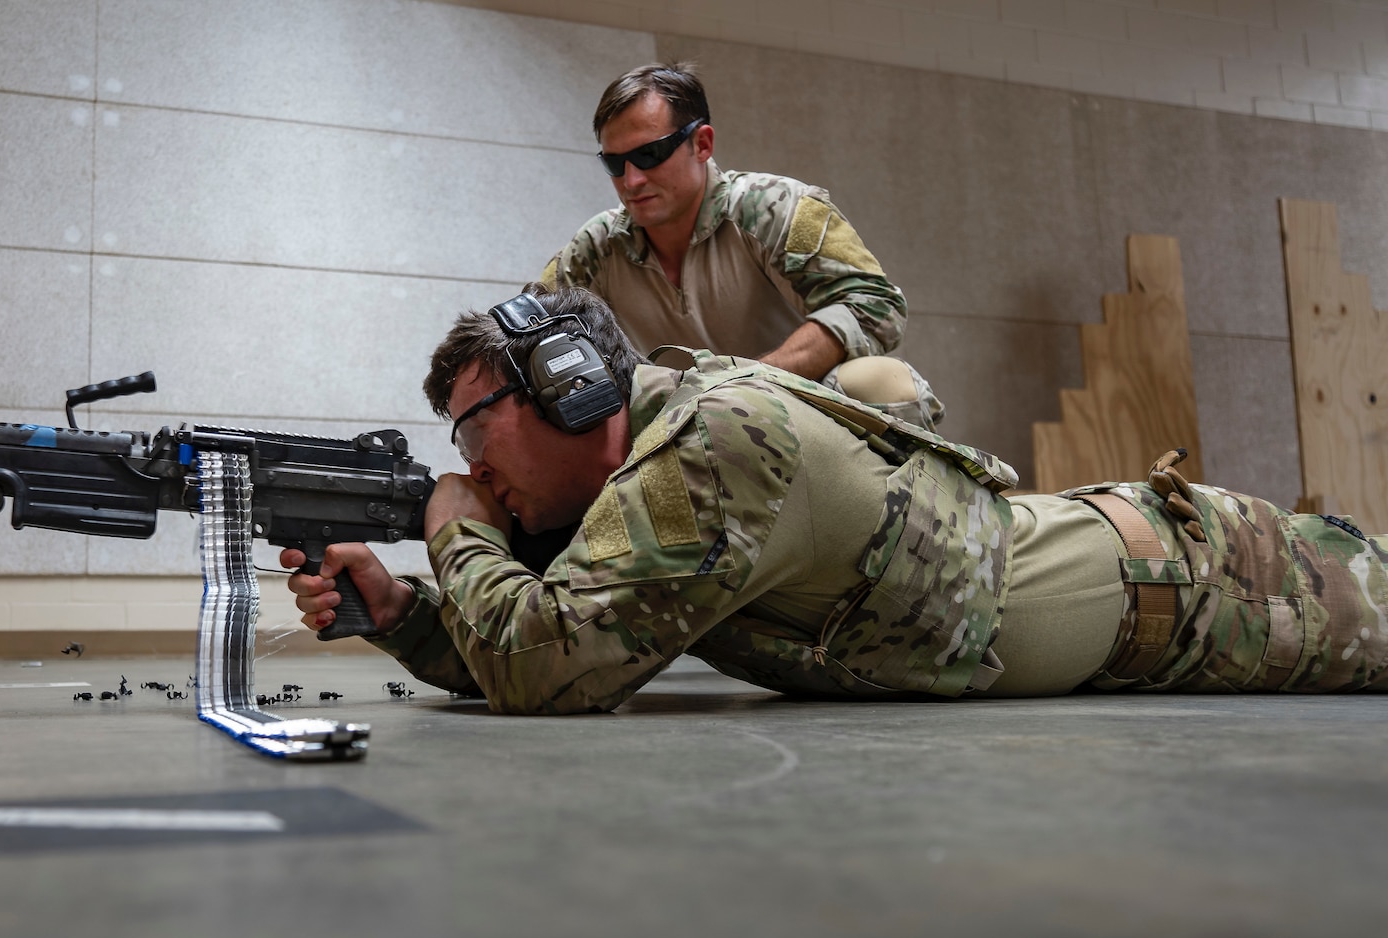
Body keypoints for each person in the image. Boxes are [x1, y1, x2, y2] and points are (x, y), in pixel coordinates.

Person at [281, 287, 1387, 714]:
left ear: (570, 391)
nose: (471, 463)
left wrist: (450, 524)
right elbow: (571, 640)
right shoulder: (641, 480)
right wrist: (406, 616)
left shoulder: (710, 441)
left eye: (476, 425)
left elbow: (543, 669)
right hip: (1149, 606)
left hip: (1202, 585)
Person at [541, 63, 943, 432]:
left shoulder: (772, 208)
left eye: (649, 155)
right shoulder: (594, 248)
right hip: (676, 432)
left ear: (701, 143)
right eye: (615, 164)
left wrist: (744, 386)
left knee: (881, 381)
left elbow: (874, 304)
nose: (631, 181)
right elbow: (528, 345)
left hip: (799, 414)